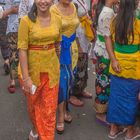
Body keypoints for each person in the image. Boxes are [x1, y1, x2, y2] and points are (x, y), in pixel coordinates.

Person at [18, 0, 62, 139]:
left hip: (51, 73)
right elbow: (22, 50)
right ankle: (35, 128)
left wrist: (58, 64)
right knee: (33, 108)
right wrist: (26, 78)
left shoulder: (57, 19)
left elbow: (57, 44)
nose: (43, 2)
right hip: (31, 73)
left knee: (49, 112)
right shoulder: (26, 21)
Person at [106, 0, 140, 139]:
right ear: (134, 5)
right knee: (131, 99)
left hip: (117, 66)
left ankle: (113, 129)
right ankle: (130, 131)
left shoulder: (115, 20)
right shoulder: (137, 22)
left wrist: (113, 59)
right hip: (134, 68)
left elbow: (107, 39)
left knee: (115, 97)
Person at [51, 0, 79, 134]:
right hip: (59, 50)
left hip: (72, 50)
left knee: (70, 81)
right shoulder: (53, 10)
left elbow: (75, 27)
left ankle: (66, 108)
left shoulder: (74, 6)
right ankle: (60, 116)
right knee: (61, 83)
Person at [93, 0, 118, 125]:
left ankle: (102, 109)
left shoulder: (106, 9)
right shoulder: (108, 12)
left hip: (102, 49)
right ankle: (100, 112)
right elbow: (107, 37)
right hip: (105, 51)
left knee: (103, 81)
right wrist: (113, 57)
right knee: (104, 82)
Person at [69, 0, 94, 107]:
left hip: (84, 33)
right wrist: (77, 44)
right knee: (77, 66)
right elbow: (71, 23)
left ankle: (81, 89)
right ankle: (72, 94)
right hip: (77, 35)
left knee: (83, 64)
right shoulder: (71, 2)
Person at [6, 0, 20, 93]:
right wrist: (12, 10)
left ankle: (26, 78)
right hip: (13, 27)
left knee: (28, 53)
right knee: (14, 54)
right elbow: (6, 11)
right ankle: (12, 80)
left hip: (29, 26)